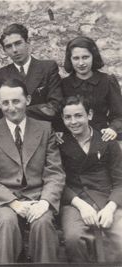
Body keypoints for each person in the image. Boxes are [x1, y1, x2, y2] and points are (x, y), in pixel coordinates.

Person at [0, 79, 65, 263]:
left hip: (38, 196)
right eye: (5, 103)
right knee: (7, 222)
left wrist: (45, 202)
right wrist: (13, 203)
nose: (11, 108)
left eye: (16, 101)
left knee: (42, 222)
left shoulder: (44, 129)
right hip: (4, 200)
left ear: (28, 99)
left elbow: (55, 172)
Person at [59, 95, 122, 263]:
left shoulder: (107, 141)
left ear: (90, 115)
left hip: (107, 199)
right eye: (68, 117)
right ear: (62, 119)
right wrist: (80, 205)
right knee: (74, 238)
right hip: (74, 201)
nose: (73, 121)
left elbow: (120, 180)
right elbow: (57, 181)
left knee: (121, 237)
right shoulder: (59, 144)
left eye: (78, 115)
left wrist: (110, 208)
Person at [0, 24, 63, 126]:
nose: (14, 50)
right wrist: (38, 108)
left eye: (18, 43)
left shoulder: (48, 68)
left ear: (27, 42)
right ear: (4, 50)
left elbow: (55, 106)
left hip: (44, 128)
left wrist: (16, 111)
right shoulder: (1, 75)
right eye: (9, 46)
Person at [61, 36, 122, 142]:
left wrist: (113, 129)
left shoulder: (107, 81)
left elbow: (119, 115)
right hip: (72, 140)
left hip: (102, 137)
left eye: (85, 57)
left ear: (93, 56)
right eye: (76, 58)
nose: (81, 63)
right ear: (70, 59)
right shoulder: (64, 84)